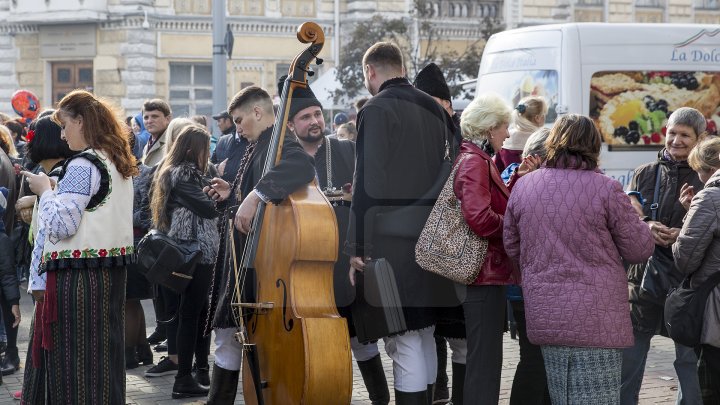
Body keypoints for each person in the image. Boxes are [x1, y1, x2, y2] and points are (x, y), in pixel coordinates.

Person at [504, 114, 654, 404]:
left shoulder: (524, 187)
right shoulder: (607, 188)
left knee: (561, 395)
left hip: (547, 313)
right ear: (593, 144)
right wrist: (643, 222)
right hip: (597, 317)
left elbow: (512, 245)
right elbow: (639, 249)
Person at [346, 42, 457, 404]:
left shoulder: (376, 109)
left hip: (392, 241)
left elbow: (368, 183)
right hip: (433, 236)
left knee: (404, 339)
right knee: (423, 333)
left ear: (370, 72)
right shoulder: (435, 107)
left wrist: (357, 248)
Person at [21, 89, 137, 404]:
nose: (62, 133)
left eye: (65, 124)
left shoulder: (83, 164)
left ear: (82, 122)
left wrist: (45, 191)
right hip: (109, 274)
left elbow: (61, 224)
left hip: (78, 279)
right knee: (103, 359)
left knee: (75, 364)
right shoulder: (114, 160)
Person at [279, 76, 389, 404]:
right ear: (290, 125)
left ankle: (381, 399)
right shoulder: (282, 160)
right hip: (300, 263)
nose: (314, 121)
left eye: (317, 114)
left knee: (362, 340)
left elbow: (371, 200)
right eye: (305, 117)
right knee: (309, 340)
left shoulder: (346, 150)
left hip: (346, 259)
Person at [202, 86, 315, 404]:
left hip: (261, 261)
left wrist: (254, 195)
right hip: (245, 256)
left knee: (230, 337)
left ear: (257, 112)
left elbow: (301, 167)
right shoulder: (260, 143)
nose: (236, 128)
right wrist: (234, 192)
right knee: (227, 336)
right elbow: (250, 195)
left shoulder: (279, 141)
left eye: (239, 121)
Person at [622, 107, 707, 405]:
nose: (676, 140)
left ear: (700, 138)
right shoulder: (644, 172)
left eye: (685, 135)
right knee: (631, 358)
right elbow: (626, 218)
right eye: (672, 132)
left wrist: (683, 228)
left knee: (687, 360)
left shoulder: (707, 176)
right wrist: (647, 226)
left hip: (688, 285)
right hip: (643, 280)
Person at [149, 125, 220, 398]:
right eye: (206, 148)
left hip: (194, 252)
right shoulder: (183, 174)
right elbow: (208, 207)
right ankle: (184, 379)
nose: (210, 153)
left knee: (199, 312)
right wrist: (221, 195)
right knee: (191, 314)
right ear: (192, 149)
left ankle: (199, 371)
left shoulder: (192, 172)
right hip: (193, 252)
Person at [413, 61, 465, 405]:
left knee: (459, 333)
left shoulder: (464, 137)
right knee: (428, 330)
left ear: (446, 104)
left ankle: (457, 394)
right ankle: (439, 391)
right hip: (422, 244)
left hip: (456, 244)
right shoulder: (415, 134)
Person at [503, 127, 553, 405]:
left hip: (535, 283)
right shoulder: (513, 176)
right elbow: (507, 226)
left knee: (542, 360)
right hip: (525, 285)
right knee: (534, 358)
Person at [672, 137, 720, 404]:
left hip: (715, 309)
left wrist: (690, 216)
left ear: (708, 168)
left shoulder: (710, 196)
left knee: (712, 386)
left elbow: (685, 260)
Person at [494, 96, 547, 173]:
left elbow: (497, 169)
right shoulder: (541, 139)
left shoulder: (505, 138)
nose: (545, 116)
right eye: (544, 113)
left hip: (509, 183)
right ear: (537, 118)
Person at [0, 187, 20, 383]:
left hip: (5, 296)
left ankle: (12, 353)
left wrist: (14, 302)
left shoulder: (2, 240)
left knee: (9, 315)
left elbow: (8, 275)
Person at [141, 99, 172, 167]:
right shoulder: (148, 144)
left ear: (167, 119)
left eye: (154, 116)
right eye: (146, 117)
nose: (149, 121)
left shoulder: (172, 143)